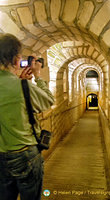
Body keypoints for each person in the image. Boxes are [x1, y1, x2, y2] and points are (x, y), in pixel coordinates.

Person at [0, 33, 54, 200]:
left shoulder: (18, 84)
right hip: (25, 156)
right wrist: (38, 77)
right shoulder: (22, 86)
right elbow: (48, 100)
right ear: (17, 60)